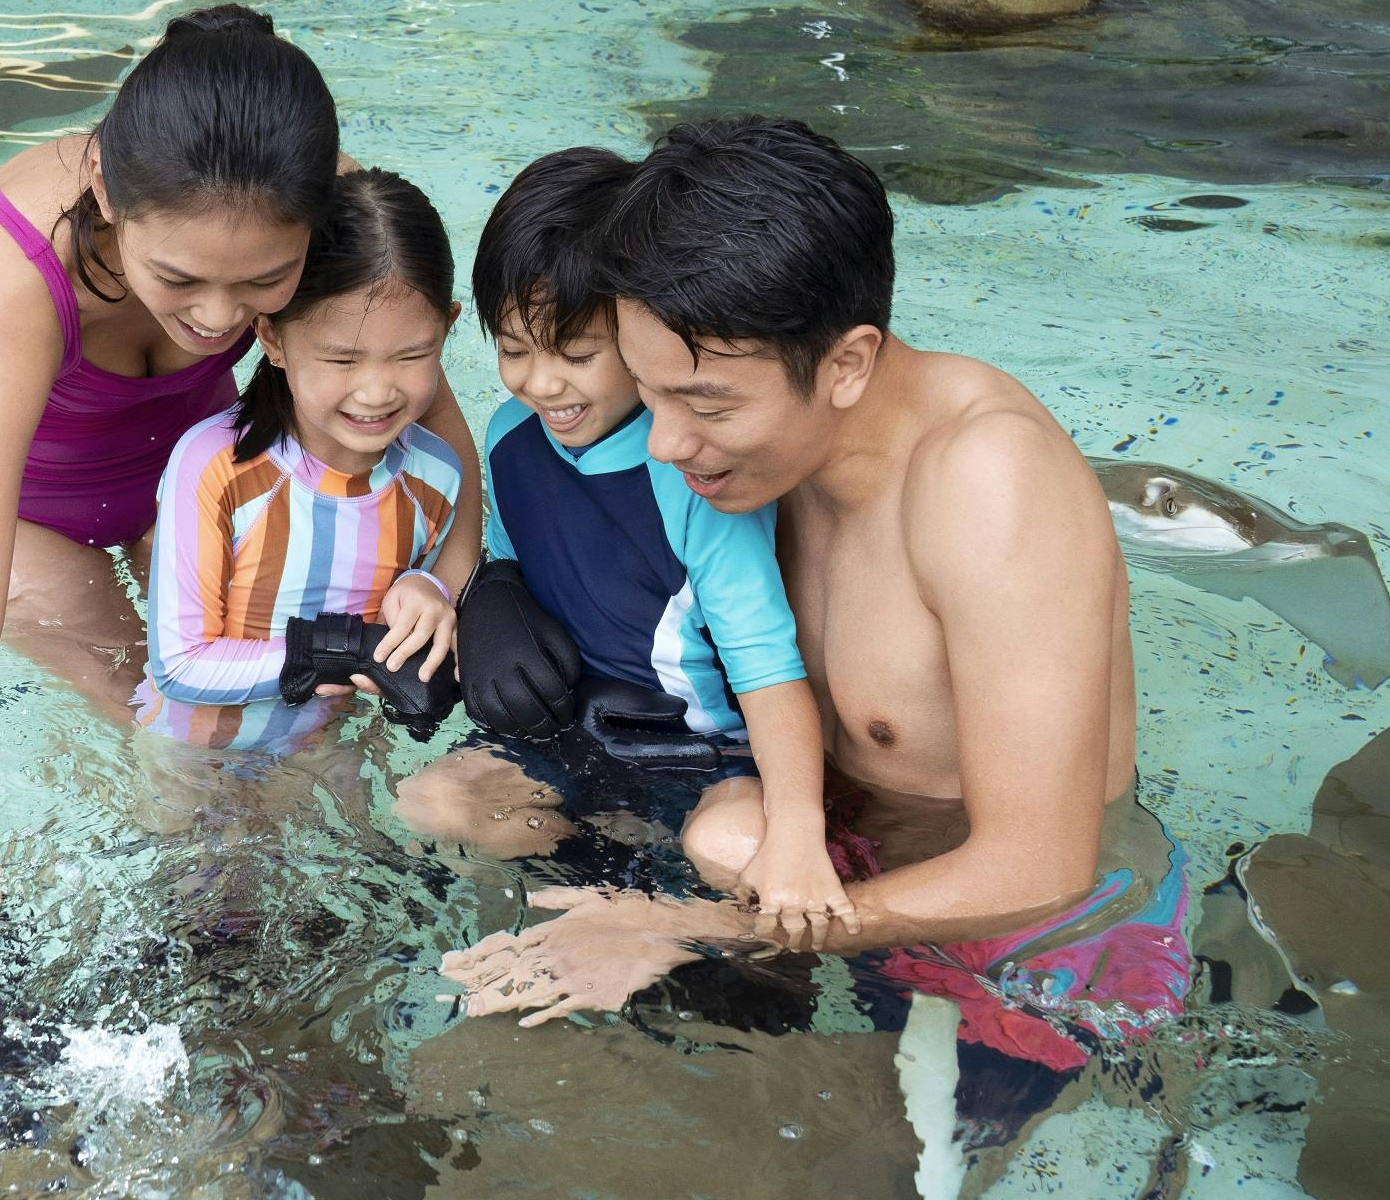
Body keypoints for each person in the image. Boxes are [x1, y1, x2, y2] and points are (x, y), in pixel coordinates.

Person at [440, 117, 1185, 1058]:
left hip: (1018, 952)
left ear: (847, 363)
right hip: (786, 870)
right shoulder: (754, 461)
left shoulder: (990, 489)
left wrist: (672, 927)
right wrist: (488, 588)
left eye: (705, 404)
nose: (664, 446)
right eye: (651, 390)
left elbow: (1042, 868)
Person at [0, 5, 480, 896]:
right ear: (102, 189)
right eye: (176, 278)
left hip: (197, 446)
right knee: (152, 704)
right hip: (30, 499)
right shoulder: (16, 275)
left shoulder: (322, 201)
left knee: (275, 703)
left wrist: (440, 583)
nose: (217, 319)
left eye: (262, 284)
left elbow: (438, 436)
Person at [397, 147, 855, 947]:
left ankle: (685, 947)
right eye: (513, 349)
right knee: (432, 802)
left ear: (640, 338)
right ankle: (581, 890)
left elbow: (767, 663)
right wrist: (482, 597)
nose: (541, 385)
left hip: (705, 752)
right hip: (573, 728)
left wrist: (799, 830)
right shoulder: (510, 438)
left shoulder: (693, 470)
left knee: (734, 847)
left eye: (576, 355)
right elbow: (500, 549)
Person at [139, 166, 464, 732]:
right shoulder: (216, 465)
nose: (377, 391)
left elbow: (429, 607)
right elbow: (179, 665)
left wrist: (427, 589)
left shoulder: (436, 477)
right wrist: (341, 649)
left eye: (411, 356)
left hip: (333, 756)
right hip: (192, 761)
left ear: (448, 328)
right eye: (342, 359)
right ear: (272, 338)